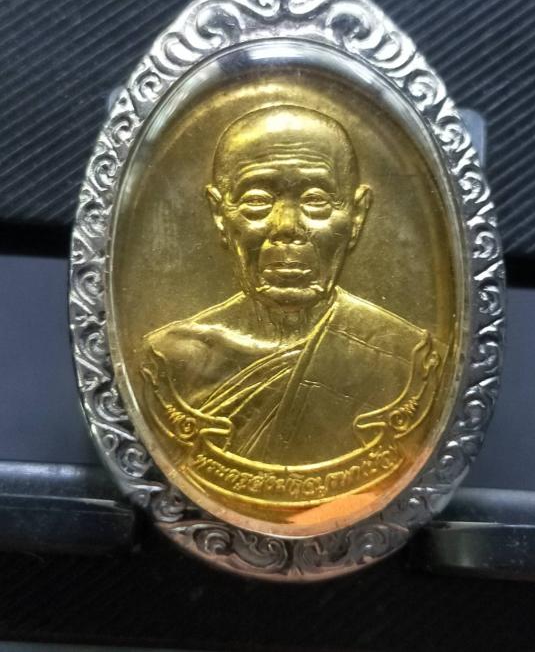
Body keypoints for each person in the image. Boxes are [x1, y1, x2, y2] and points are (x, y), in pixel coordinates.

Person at [141, 104, 441, 468]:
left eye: (316, 200)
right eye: (257, 201)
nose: (287, 227)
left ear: (357, 215)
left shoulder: (405, 358)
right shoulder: (170, 360)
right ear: (220, 214)